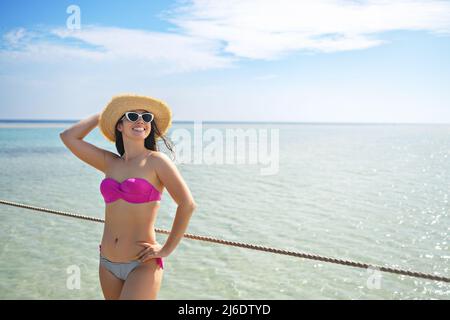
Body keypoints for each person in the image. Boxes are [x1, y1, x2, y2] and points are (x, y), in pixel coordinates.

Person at [60, 94, 197, 299]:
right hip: (107, 262)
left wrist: (166, 249)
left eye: (146, 117)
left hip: (142, 264)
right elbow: (69, 137)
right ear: (119, 126)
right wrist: (105, 114)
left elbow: (187, 204)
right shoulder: (110, 162)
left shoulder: (156, 161)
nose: (140, 121)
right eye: (132, 116)